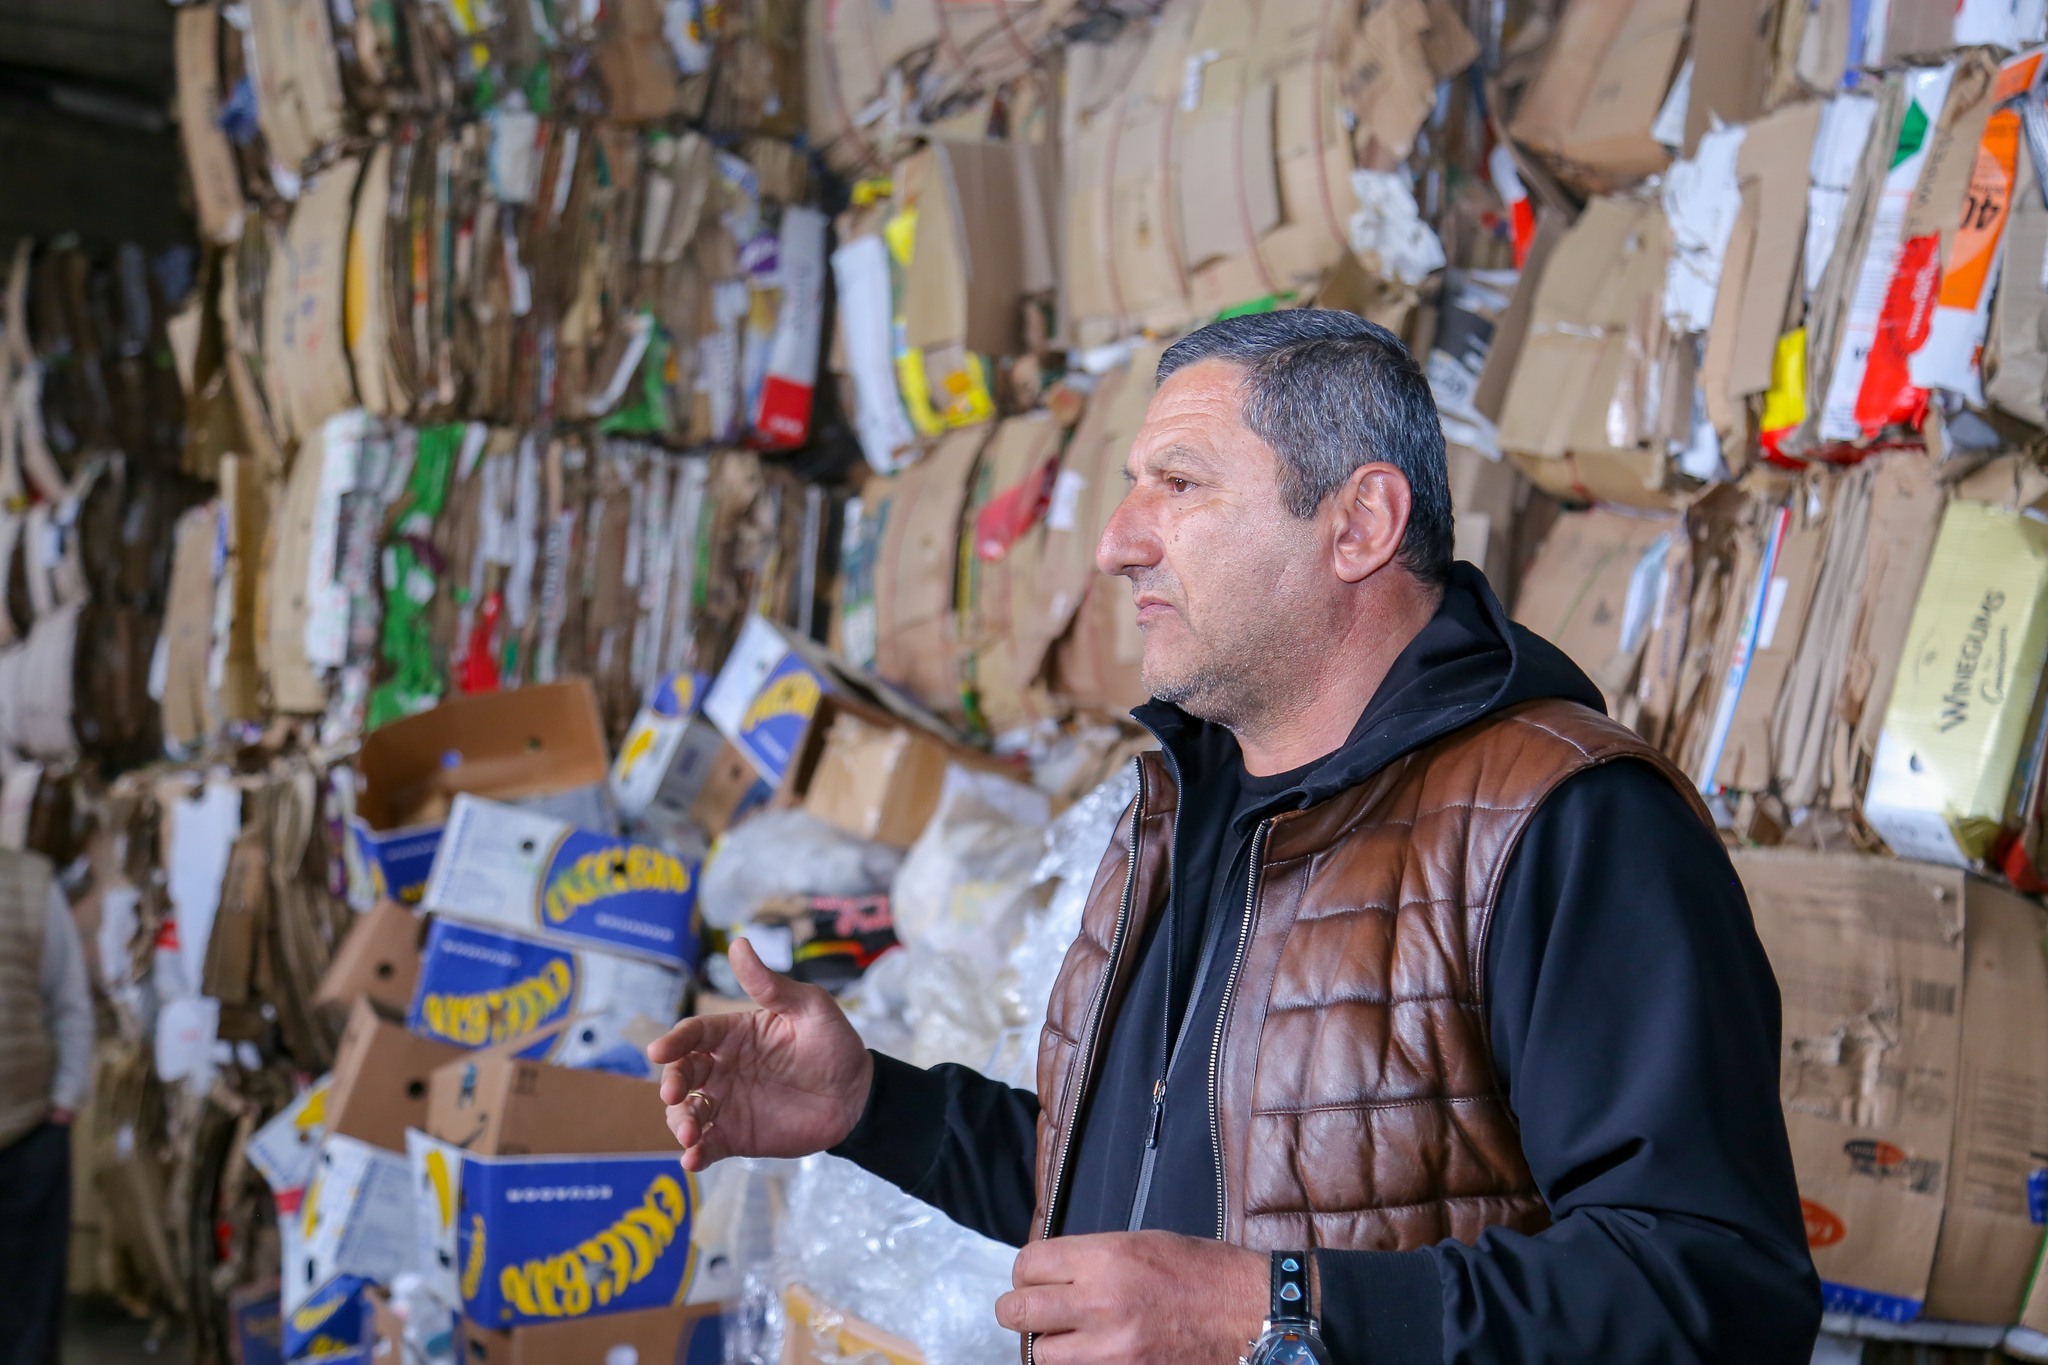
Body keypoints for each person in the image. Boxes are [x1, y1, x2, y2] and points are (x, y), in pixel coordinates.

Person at [650, 310, 1821, 1363]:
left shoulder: (1563, 821)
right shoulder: (1177, 812)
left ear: (1358, 523)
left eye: (1179, 484)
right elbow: (1148, 1205)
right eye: (1131, 487)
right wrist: (875, 1107)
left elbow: (1714, 1290)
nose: (1117, 541)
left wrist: (1278, 1313)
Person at [0, 846, 93, 1365]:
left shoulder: (30, 883)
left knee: (28, 1317)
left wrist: (64, 1099)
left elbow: (70, 1002)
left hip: (27, 1134)